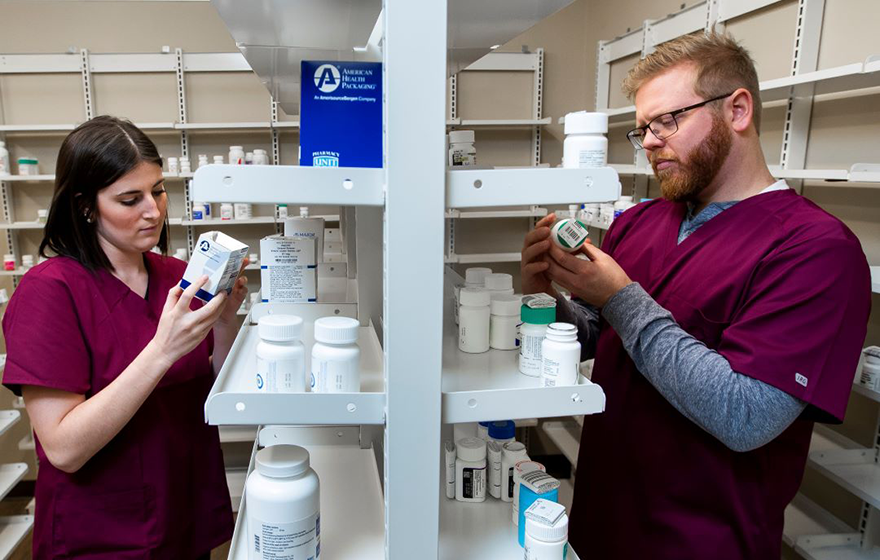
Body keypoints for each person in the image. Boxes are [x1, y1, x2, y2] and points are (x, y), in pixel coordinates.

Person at [521, 33, 871, 558]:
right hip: (601, 519)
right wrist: (544, 297)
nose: (651, 141)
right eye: (643, 130)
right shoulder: (639, 222)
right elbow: (599, 338)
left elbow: (746, 416)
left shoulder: (816, 250)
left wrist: (619, 295)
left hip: (702, 539)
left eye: (668, 120)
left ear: (737, 109)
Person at [2, 116, 247, 559]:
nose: (153, 210)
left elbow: (213, 385)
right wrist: (161, 350)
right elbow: (64, 448)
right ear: (85, 206)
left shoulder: (176, 276)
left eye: (157, 190)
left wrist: (227, 321)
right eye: (130, 199)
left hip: (182, 513)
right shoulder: (49, 291)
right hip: (101, 533)